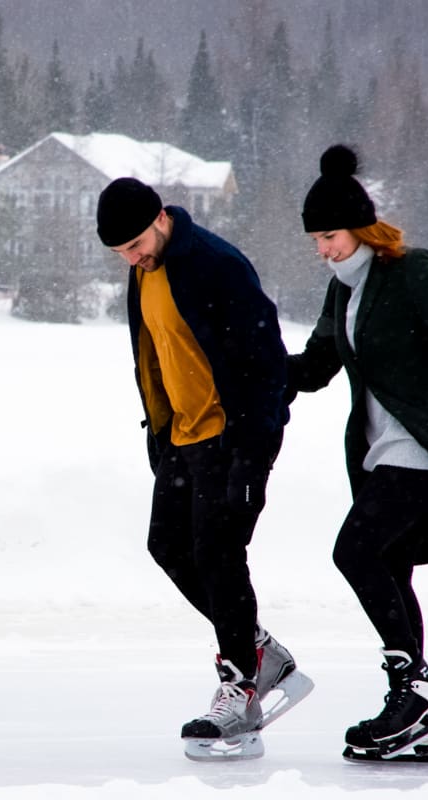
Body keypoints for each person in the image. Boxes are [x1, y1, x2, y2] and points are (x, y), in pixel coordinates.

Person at [287, 144, 428, 762]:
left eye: (329, 235)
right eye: (315, 240)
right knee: (390, 570)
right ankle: (413, 708)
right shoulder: (342, 294)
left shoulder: (411, 270)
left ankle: (416, 690)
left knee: (353, 551)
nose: (322, 249)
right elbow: (313, 370)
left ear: (360, 228)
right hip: (381, 456)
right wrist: (241, 368)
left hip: (426, 452)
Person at [96, 177, 313, 759]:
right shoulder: (143, 271)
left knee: (218, 552)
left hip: (233, 436)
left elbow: (266, 359)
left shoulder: (216, 264)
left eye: (136, 243)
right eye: (119, 252)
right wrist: (159, 432)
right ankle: (259, 651)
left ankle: (241, 682)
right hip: (181, 438)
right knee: (167, 546)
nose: (131, 257)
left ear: (161, 218)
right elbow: (155, 353)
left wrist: (253, 448)